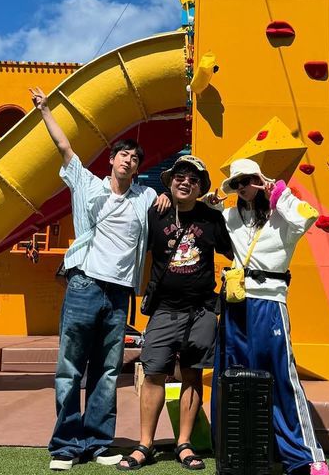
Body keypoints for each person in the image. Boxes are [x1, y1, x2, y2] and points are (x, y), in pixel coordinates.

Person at [30, 87, 167, 471]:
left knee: (107, 371)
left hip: (119, 293)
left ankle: (98, 443)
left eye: (135, 158)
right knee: (70, 368)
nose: (129, 160)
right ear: (111, 160)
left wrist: (165, 199)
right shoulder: (88, 183)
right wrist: (45, 110)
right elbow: (63, 147)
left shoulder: (145, 196)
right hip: (85, 284)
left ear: (138, 168)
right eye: (124, 154)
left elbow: (167, 203)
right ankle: (64, 446)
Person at [211, 158, 329, 475]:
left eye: (247, 180)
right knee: (234, 377)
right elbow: (206, 215)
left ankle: (305, 456)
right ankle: (237, 451)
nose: (242, 187)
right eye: (236, 183)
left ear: (259, 179)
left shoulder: (283, 218)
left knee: (281, 378)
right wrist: (212, 200)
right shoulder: (230, 216)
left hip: (270, 303)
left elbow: (308, 217)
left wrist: (277, 191)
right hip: (236, 303)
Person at [118, 155, 232, 472]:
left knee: (192, 375)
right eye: (180, 176)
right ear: (170, 181)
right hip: (164, 309)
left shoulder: (211, 218)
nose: (186, 182)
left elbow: (234, 249)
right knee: (154, 373)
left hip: (201, 310)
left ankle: (184, 443)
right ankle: (145, 444)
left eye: (193, 179)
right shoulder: (155, 213)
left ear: (201, 187)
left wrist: (222, 210)